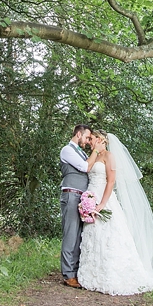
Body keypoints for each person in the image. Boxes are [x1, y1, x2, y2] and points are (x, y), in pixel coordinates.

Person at [76, 129, 153, 295]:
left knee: (110, 237)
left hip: (104, 200)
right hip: (91, 196)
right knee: (93, 235)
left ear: (101, 140)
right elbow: (86, 171)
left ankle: (113, 274)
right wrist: (88, 202)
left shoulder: (109, 156)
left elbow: (111, 181)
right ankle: (93, 274)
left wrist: (102, 204)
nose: (89, 141)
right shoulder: (94, 156)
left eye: (92, 139)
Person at [59, 124, 101, 289]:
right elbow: (85, 167)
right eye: (86, 137)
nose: (87, 140)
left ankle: (75, 271)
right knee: (70, 234)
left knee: (79, 235)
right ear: (78, 134)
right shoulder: (67, 150)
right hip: (71, 194)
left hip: (82, 197)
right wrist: (96, 151)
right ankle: (68, 275)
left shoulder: (81, 152)